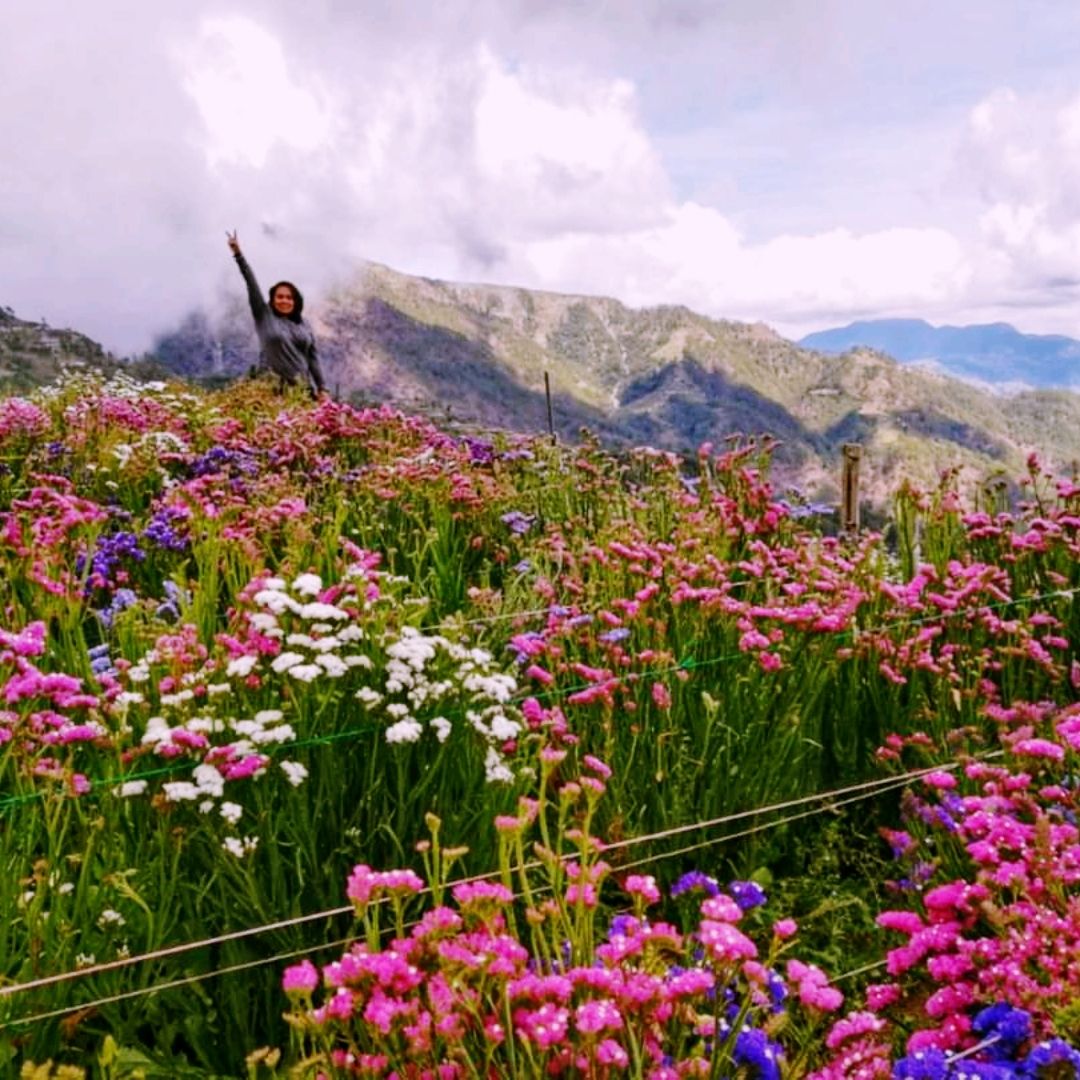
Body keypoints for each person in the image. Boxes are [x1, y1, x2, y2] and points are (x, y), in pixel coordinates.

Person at [226, 230, 326, 398]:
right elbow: (251, 283)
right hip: (272, 391)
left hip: (302, 392)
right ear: (272, 299)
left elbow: (313, 358)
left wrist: (322, 388)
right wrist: (238, 254)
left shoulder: (304, 324)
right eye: (279, 297)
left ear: (296, 301)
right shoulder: (264, 315)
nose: (284, 301)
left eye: (289, 297)